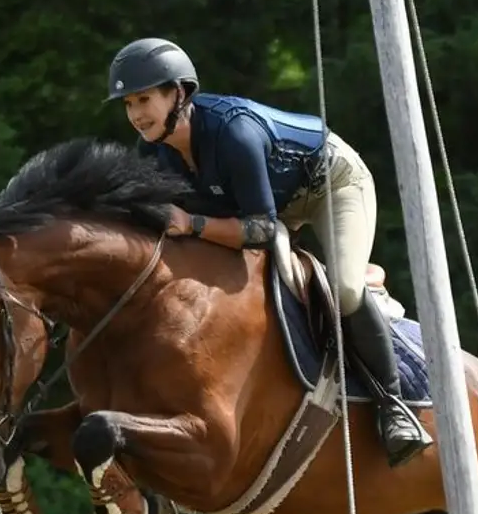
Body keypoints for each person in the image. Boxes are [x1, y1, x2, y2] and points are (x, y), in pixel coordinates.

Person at [105, 36, 432, 468]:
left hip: (329, 184)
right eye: (128, 104)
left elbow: (261, 229)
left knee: (345, 291)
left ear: (179, 93)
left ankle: (395, 407)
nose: (135, 115)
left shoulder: (234, 132)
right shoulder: (153, 152)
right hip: (264, 204)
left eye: (144, 99)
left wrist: (194, 224)